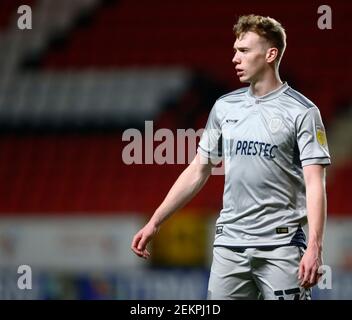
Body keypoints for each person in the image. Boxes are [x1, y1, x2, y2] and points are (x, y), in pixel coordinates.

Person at [131, 14, 331, 300]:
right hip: (229, 246)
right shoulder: (225, 107)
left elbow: (315, 183)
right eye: (235, 50)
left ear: (270, 54)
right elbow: (198, 169)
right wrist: (155, 222)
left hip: (281, 246)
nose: (235, 58)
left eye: (244, 50)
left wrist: (314, 246)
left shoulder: (302, 112)